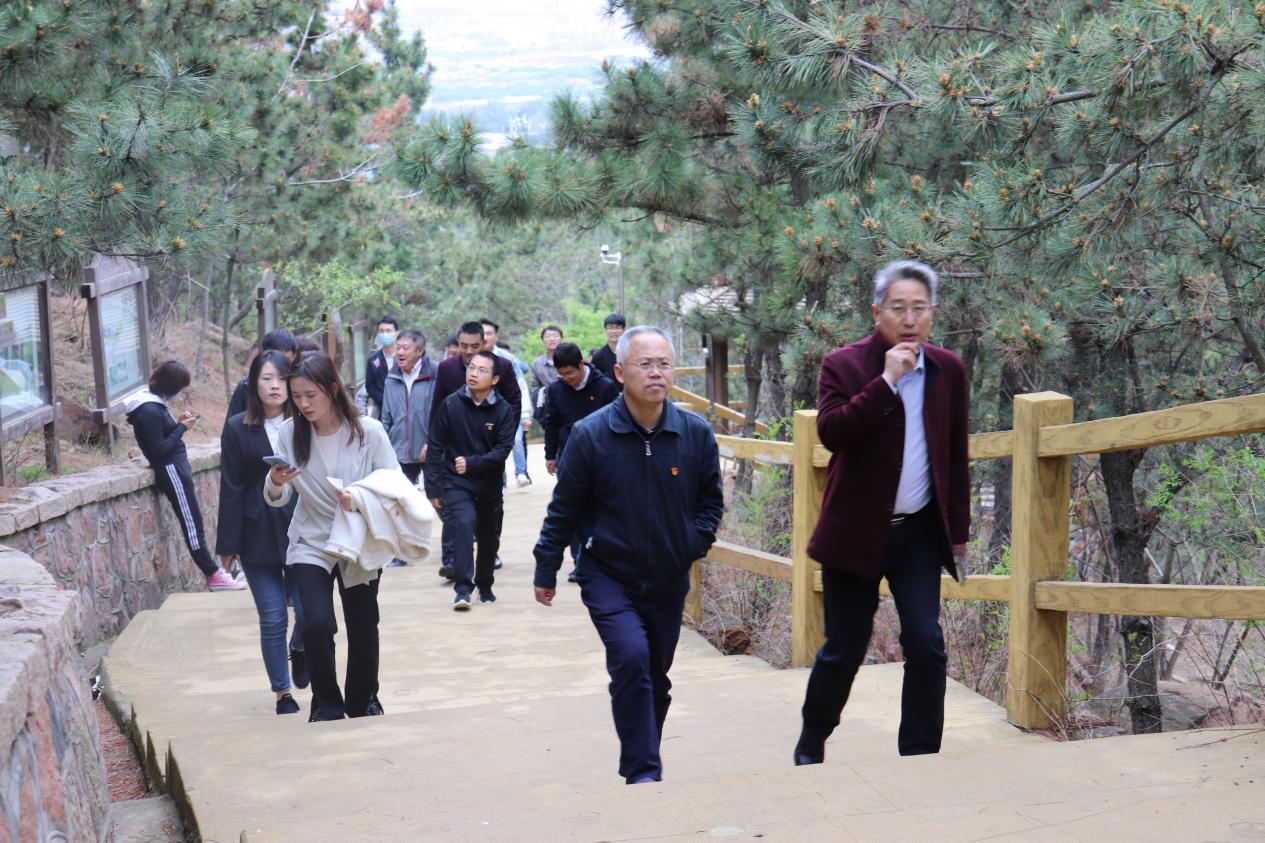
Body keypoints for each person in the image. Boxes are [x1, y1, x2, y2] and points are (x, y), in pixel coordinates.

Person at [793, 260, 970, 766]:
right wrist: (888, 380)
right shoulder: (843, 365)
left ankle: (920, 754)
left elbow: (955, 455)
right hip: (855, 533)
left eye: (919, 309)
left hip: (918, 533)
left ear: (932, 313)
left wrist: (957, 533)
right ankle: (813, 738)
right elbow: (833, 433)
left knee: (926, 641)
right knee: (845, 648)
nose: (909, 319)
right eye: (898, 308)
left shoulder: (949, 370)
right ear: (877, 313)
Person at [534, 326, 724, 784]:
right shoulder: (591, 435)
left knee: (655, 677)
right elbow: (565, 508)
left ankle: (642, 755)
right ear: (620, 373)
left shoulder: (694, 434)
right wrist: (547, 566)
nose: (656, 372)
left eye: (664, 364)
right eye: (645, 364)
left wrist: (691, 543)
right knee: (632, 659)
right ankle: (643, 772)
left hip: (668, 576)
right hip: (607, 574)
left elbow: (710, 503)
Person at [264, 353, 400, 721]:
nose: (303, 404)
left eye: (311, 395)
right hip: (312, 539)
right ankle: (325, 703)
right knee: (316, 622)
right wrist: (275, 481)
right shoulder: (290, 433)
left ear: (333, 389)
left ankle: (363, 699)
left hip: (358, 538)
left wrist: (360, 499)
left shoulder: (368, 431)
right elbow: (279, 495)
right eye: (297, 396)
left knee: (363, 624)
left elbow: (393, 482)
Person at [217, 350, 307, 715]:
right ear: (254, 383)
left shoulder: (306, 422)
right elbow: (231, 486)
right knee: (272, 617)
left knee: (309, 613)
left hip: (302, 528)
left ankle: (300, 647)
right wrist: (227, 544)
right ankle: (283, 693)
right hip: (257, 531)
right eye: (267, 378)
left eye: (282, 379)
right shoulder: (238, 427)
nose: (275, 386)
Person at [126, 361, 244, 592]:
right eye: (179, 388)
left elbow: (161, 437)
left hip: (177, 467)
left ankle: (215, 573)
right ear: (171, 386)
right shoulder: (148, 410)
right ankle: (213, 574)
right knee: (191, 525)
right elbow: (158, 450)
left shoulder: (155, 405)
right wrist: (181, 429)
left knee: (195, 521)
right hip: (171, 470)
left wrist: (178, 423)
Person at [429, 321, 522, 579]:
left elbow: (514, 401)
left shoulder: (502, 366)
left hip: (490, 449)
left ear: (485, 344)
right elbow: (437, 405)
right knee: (454, 507)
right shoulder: (447, 368)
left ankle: (489, 550)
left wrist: (503, 436)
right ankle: (452, 559)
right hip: (456, 448)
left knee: (491, 507)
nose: (469, 352)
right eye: (463, 346)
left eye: (474, 346)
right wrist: (432, 440)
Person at [379, 329, 436, 487]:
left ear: (420, 351)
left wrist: (432, 443)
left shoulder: (435, 374)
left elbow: (441, 416)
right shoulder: (391, 377)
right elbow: (386, 418)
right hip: (399, 451)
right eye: (398, 347)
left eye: (405, 348)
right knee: (400, 496)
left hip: (430, 449)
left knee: (436, 496)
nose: (400, 352)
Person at [482, 319, 533, 487]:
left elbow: (521, 386)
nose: (485, 337)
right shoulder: (473, 358)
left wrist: (525, 413)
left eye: (489, 333)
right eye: (482, 333)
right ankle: (500, 482)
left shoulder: (508, 359)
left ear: (496, 337)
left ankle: (521, 473)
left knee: (516, 441)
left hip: (509, 408)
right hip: (483, 410)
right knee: (491, 446)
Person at [225, 330, 298, 424]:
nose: (281, 365)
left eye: (286, 360)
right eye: (275, 360)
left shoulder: (301, 386)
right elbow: (232, 426)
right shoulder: (246, 386)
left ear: (294, 357)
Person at [363, 316, 400, 417]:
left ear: (397, 333)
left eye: (388, 331)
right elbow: (370, 386)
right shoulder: (373, 360)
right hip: (381, 409)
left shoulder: (404, 357)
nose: (385, 334)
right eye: (381, 331)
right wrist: (384, 400)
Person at [530, 325, 564, 424]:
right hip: (548, 408)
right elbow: (535, 387)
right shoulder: (537, 363)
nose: (551, 339)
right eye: (548, 336)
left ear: (561, 339)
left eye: (555, 336)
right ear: (542, 340)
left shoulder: (569, 358)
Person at [588, 313, 625, 386]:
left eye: (617, 327)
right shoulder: (598, 356)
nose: (614, 331)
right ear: (605, 330)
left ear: (623, 329)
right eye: (610, 328)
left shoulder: (631, 352)